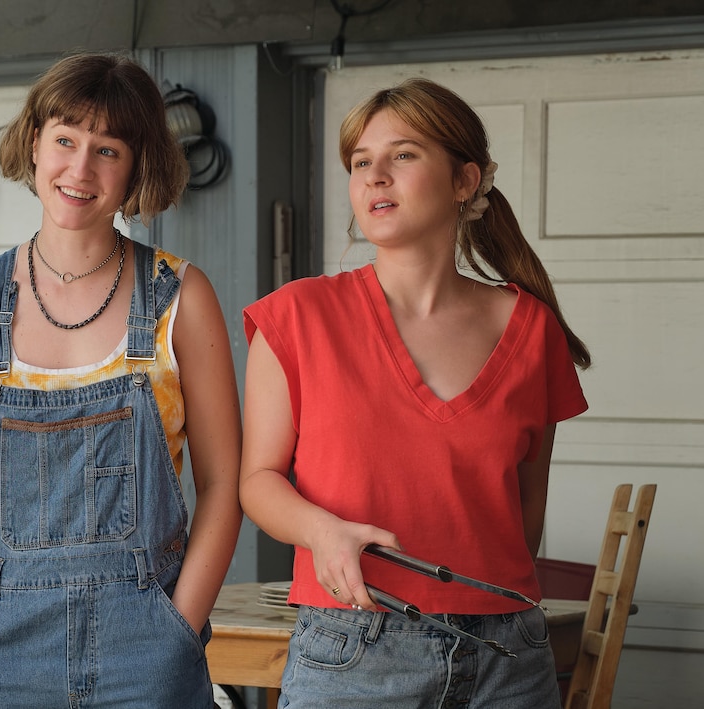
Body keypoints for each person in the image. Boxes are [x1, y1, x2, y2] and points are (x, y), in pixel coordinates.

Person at [239, 77, 590, 708]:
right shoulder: (296, 317)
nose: (375, 176)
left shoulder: (532, 329)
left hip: (509, 659)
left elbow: (526, 507)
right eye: (360, 163)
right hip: (354, 647)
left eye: (402, 155)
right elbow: (257, 479)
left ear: (464, 181)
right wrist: (323, 532)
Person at [0, 52, 243, 708]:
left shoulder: (180, 294)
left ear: (137, 167)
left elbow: (225, 482)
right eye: (65, 140)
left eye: (108, 150)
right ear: (34, 142)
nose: (80, 169)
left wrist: (179, 625)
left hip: (146, 648)